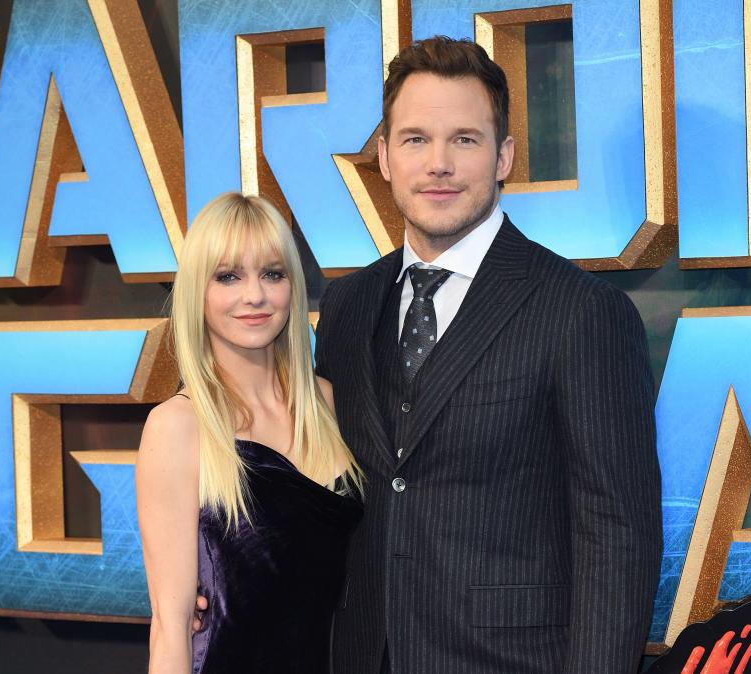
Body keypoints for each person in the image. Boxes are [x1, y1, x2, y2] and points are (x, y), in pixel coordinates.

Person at [312, 37, 662, 673]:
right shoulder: (346, 306)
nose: (438, 164)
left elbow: (618, 538)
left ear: (504, 157)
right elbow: (317, 491)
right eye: (415, 139)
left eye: (465, 140)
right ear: (385, 158)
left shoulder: (581, 312)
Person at [136, 192, 364, 674]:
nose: (255, 295)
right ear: (198, 292)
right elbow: (171, 627)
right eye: (228, 277)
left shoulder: (329, 404)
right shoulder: (178, 426)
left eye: (272, 274)